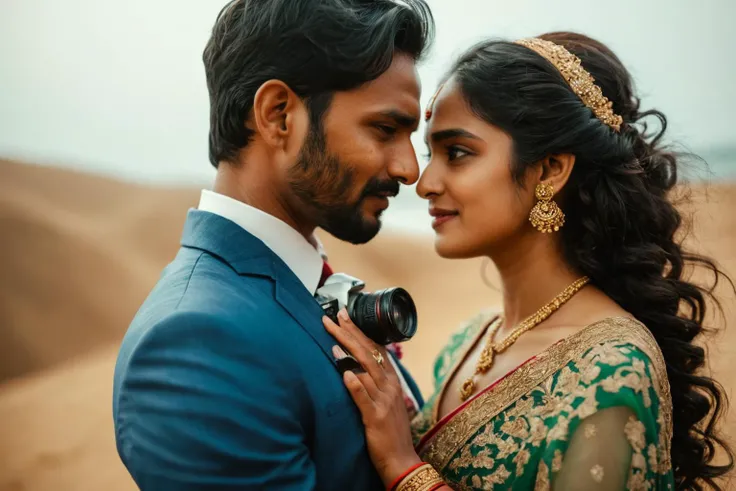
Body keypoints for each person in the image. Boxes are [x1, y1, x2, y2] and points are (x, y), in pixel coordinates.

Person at [324, 32, 734, 490]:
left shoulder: (612, 369)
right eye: (430, 154)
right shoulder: (469, 341)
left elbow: (406, 467)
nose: (425, 183)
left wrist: (406, 469)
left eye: (457, 153)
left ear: (550, 169)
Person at [112, 0, 433, 489]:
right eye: (385, 129)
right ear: (278, 115)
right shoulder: (194, 347)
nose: (409, 169)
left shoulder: (296, 285)